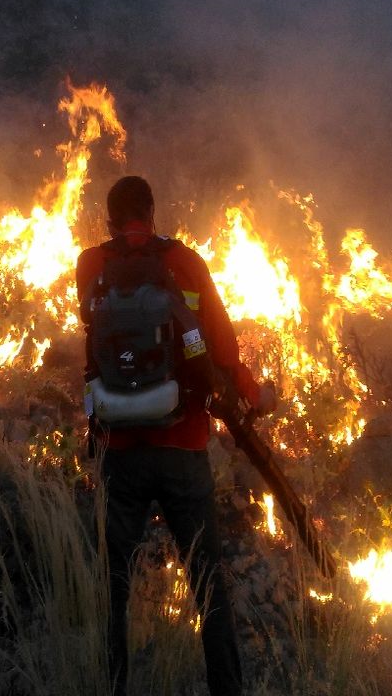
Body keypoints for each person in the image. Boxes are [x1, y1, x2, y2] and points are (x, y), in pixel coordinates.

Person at [76, 175, 277, 696]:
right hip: (182, 447)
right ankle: (226, 689)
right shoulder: (185, 263)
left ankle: (112, 683)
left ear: (110, 219)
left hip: (119, 450)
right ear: (152, 212)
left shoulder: (90, 266)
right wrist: (252, 396)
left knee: (112, 587)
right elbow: (224, 349)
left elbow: (94, 343)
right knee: (208, 584)